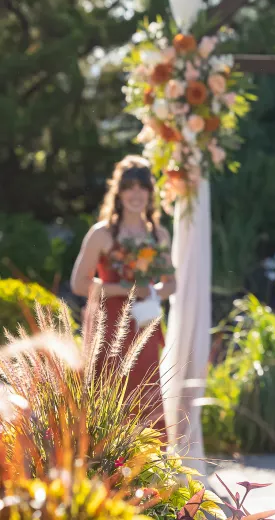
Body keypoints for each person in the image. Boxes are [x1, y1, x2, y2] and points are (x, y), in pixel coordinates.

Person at [70, 155, 174, 435]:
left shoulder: (159, 235)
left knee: (146, 389)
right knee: (107, 392)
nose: (136, 194)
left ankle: (149, 468)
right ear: (119, 191)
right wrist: (126, 290)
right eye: (129, 186)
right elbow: (79, 284)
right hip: (108, 323)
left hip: (143, 323)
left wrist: (151, 292)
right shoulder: (101, 234)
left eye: (142, 187)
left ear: (151, 192)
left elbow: (171, 284)